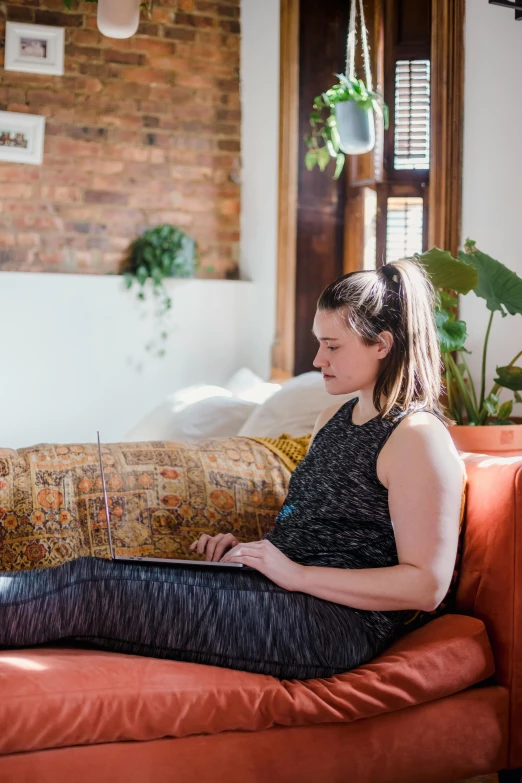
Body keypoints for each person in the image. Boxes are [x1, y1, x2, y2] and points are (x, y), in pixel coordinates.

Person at [0, 260, 464, 680]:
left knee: (92, 588)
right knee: (98, 572)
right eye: (318, 343)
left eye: (332, 346)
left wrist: (296, 575)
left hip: (328, 625)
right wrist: (248, 553)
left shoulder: (416, 436)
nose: (318, 360)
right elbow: (316, 530)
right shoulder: (333, 419)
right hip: (279, 594)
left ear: (382, 344)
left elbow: (426, 585)